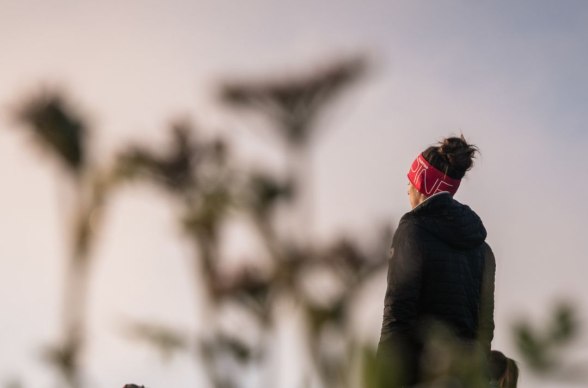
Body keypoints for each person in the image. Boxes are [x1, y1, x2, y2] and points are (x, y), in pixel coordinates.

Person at [376, 135, 495, 386]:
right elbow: (485, 329)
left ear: (422, 183)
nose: (407, 188)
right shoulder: (483, 250)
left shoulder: (412, 230)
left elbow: (398, 314)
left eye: (410, 180)